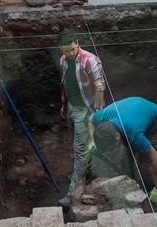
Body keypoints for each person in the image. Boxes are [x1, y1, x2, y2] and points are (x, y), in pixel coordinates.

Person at [57, 32, 105, 207]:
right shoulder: (63, 60)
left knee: (79, 150)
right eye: (65, 51)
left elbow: (100, 86)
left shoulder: (89, 60)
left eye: (72, 49)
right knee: (81, 145)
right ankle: (89, 171)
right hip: (71, 108)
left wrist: (96, 112)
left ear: (77, 43)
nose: (69, 54)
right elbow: (66, 85)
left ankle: (71, 194)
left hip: (86, 110)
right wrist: (64, 107)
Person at [89, 96, 157, 204]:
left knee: (144, 161)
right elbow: (90, 120)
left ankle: (146, 185)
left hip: (154, 120)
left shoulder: (135, 135)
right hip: (132, 111)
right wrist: (92, 142)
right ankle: (131, 175)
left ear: (117, 137)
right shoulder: (102, 117)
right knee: (127, 151)